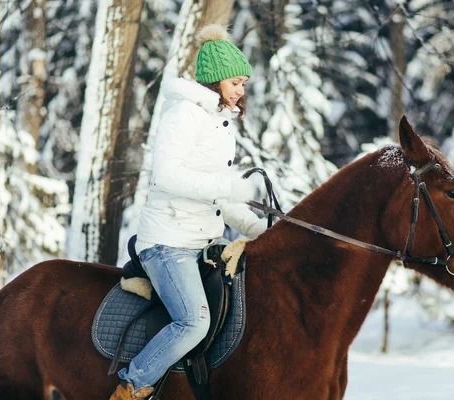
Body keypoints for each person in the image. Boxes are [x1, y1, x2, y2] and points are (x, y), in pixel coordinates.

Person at [109, 24, 267, 400]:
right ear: (215, 80)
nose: (241, 91)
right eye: (236, 82)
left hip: (205, 241)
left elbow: (219, 196)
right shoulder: (184, 114)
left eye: (244, 83)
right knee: (194, 322)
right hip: (168, 243)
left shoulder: (219, 121)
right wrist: (226, 185)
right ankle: (131, 386)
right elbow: (167, 175)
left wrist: (258, 228)